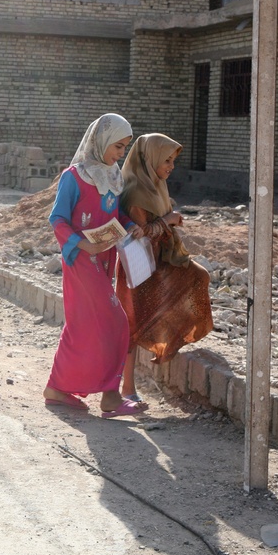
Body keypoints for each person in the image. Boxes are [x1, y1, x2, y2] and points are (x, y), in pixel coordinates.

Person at [43, 113, 146, 418]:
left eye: (125, 147)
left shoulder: (113, 175)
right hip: (80, 260)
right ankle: (111, 397)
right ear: (101, 140)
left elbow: (115, 215)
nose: (120, 153)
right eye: (117, 146)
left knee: (83, 325)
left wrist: (130, 226)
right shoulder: (74, 177)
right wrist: (83, 244)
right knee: (115, 322)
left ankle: (57, 389)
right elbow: (57, 219)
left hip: (103, 258)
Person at [115, 133, 213, 403]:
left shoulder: (156, 185)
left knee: (198, 277)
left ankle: (165, 343)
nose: (171, 166)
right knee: (133, 324)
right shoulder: (136, 191)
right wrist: (169, 220)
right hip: (140, 266)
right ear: (150, 159)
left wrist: (168, 221)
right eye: (166, 160)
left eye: (173, 161)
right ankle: (127, 388)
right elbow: (141, 233)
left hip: (162, 259)